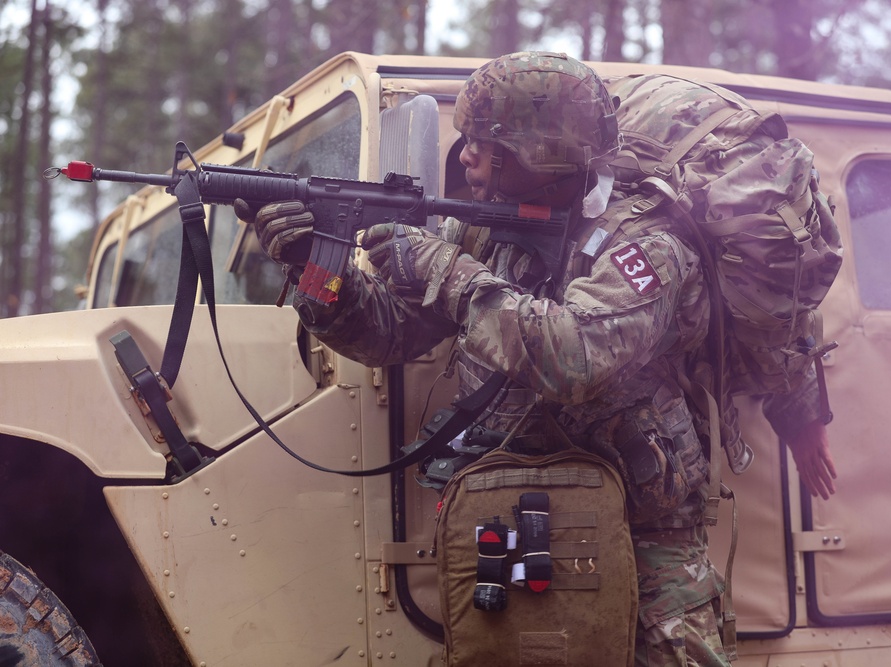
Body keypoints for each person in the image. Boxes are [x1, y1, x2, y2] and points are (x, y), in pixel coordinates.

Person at [241, 51, 836, 666]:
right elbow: (389, 333)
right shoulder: (482, 232)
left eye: (481, 142)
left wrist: (446, 271)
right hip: (514, 522)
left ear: (541, 151)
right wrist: (313, 265)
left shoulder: (646, 244)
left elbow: (573, 357)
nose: (465, 154)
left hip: (644, 541)